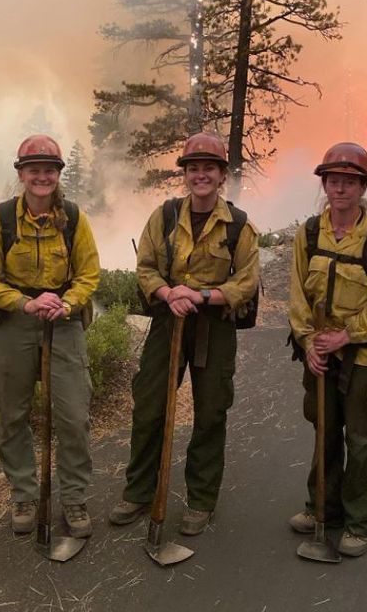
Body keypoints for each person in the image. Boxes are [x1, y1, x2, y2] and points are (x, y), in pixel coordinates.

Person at [108, 132, 260, 536]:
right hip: (168, 321)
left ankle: (201, 500)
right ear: (186, 175)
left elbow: (246, 282)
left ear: (221, 174)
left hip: (215, 327)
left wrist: (203, 295)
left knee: (210, 412)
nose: (200, 175)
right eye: (193, 169)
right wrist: (168, 292)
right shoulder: (165, 216)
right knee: (150, 406)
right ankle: (139, 492)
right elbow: (146, 267)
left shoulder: (239, 226)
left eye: (209, 168)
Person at [287, 141, 367, 557]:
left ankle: (358, 522)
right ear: (324, 184)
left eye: (350, 182)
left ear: (362, 188)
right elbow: (298, 297)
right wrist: (308, 342)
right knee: (325, 433)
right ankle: (322, 508)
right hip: (321, 357)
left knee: (361, 440)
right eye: (334, 181)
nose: (340, 189)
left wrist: (347, 334)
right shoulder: (308, 234)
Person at [0, 134, 100, 538]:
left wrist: (67, 304)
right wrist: (25, 303)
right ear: (21, 174)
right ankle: (24, 494)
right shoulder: (1, 219)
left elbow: (88, 274)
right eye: (34, 170)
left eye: (49, 169)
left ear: (58, 174)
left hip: (63, 318)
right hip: (15, 319)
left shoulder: (75, 219)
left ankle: (75, 497)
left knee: (74, 414)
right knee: (12, 412)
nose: (42, 177)